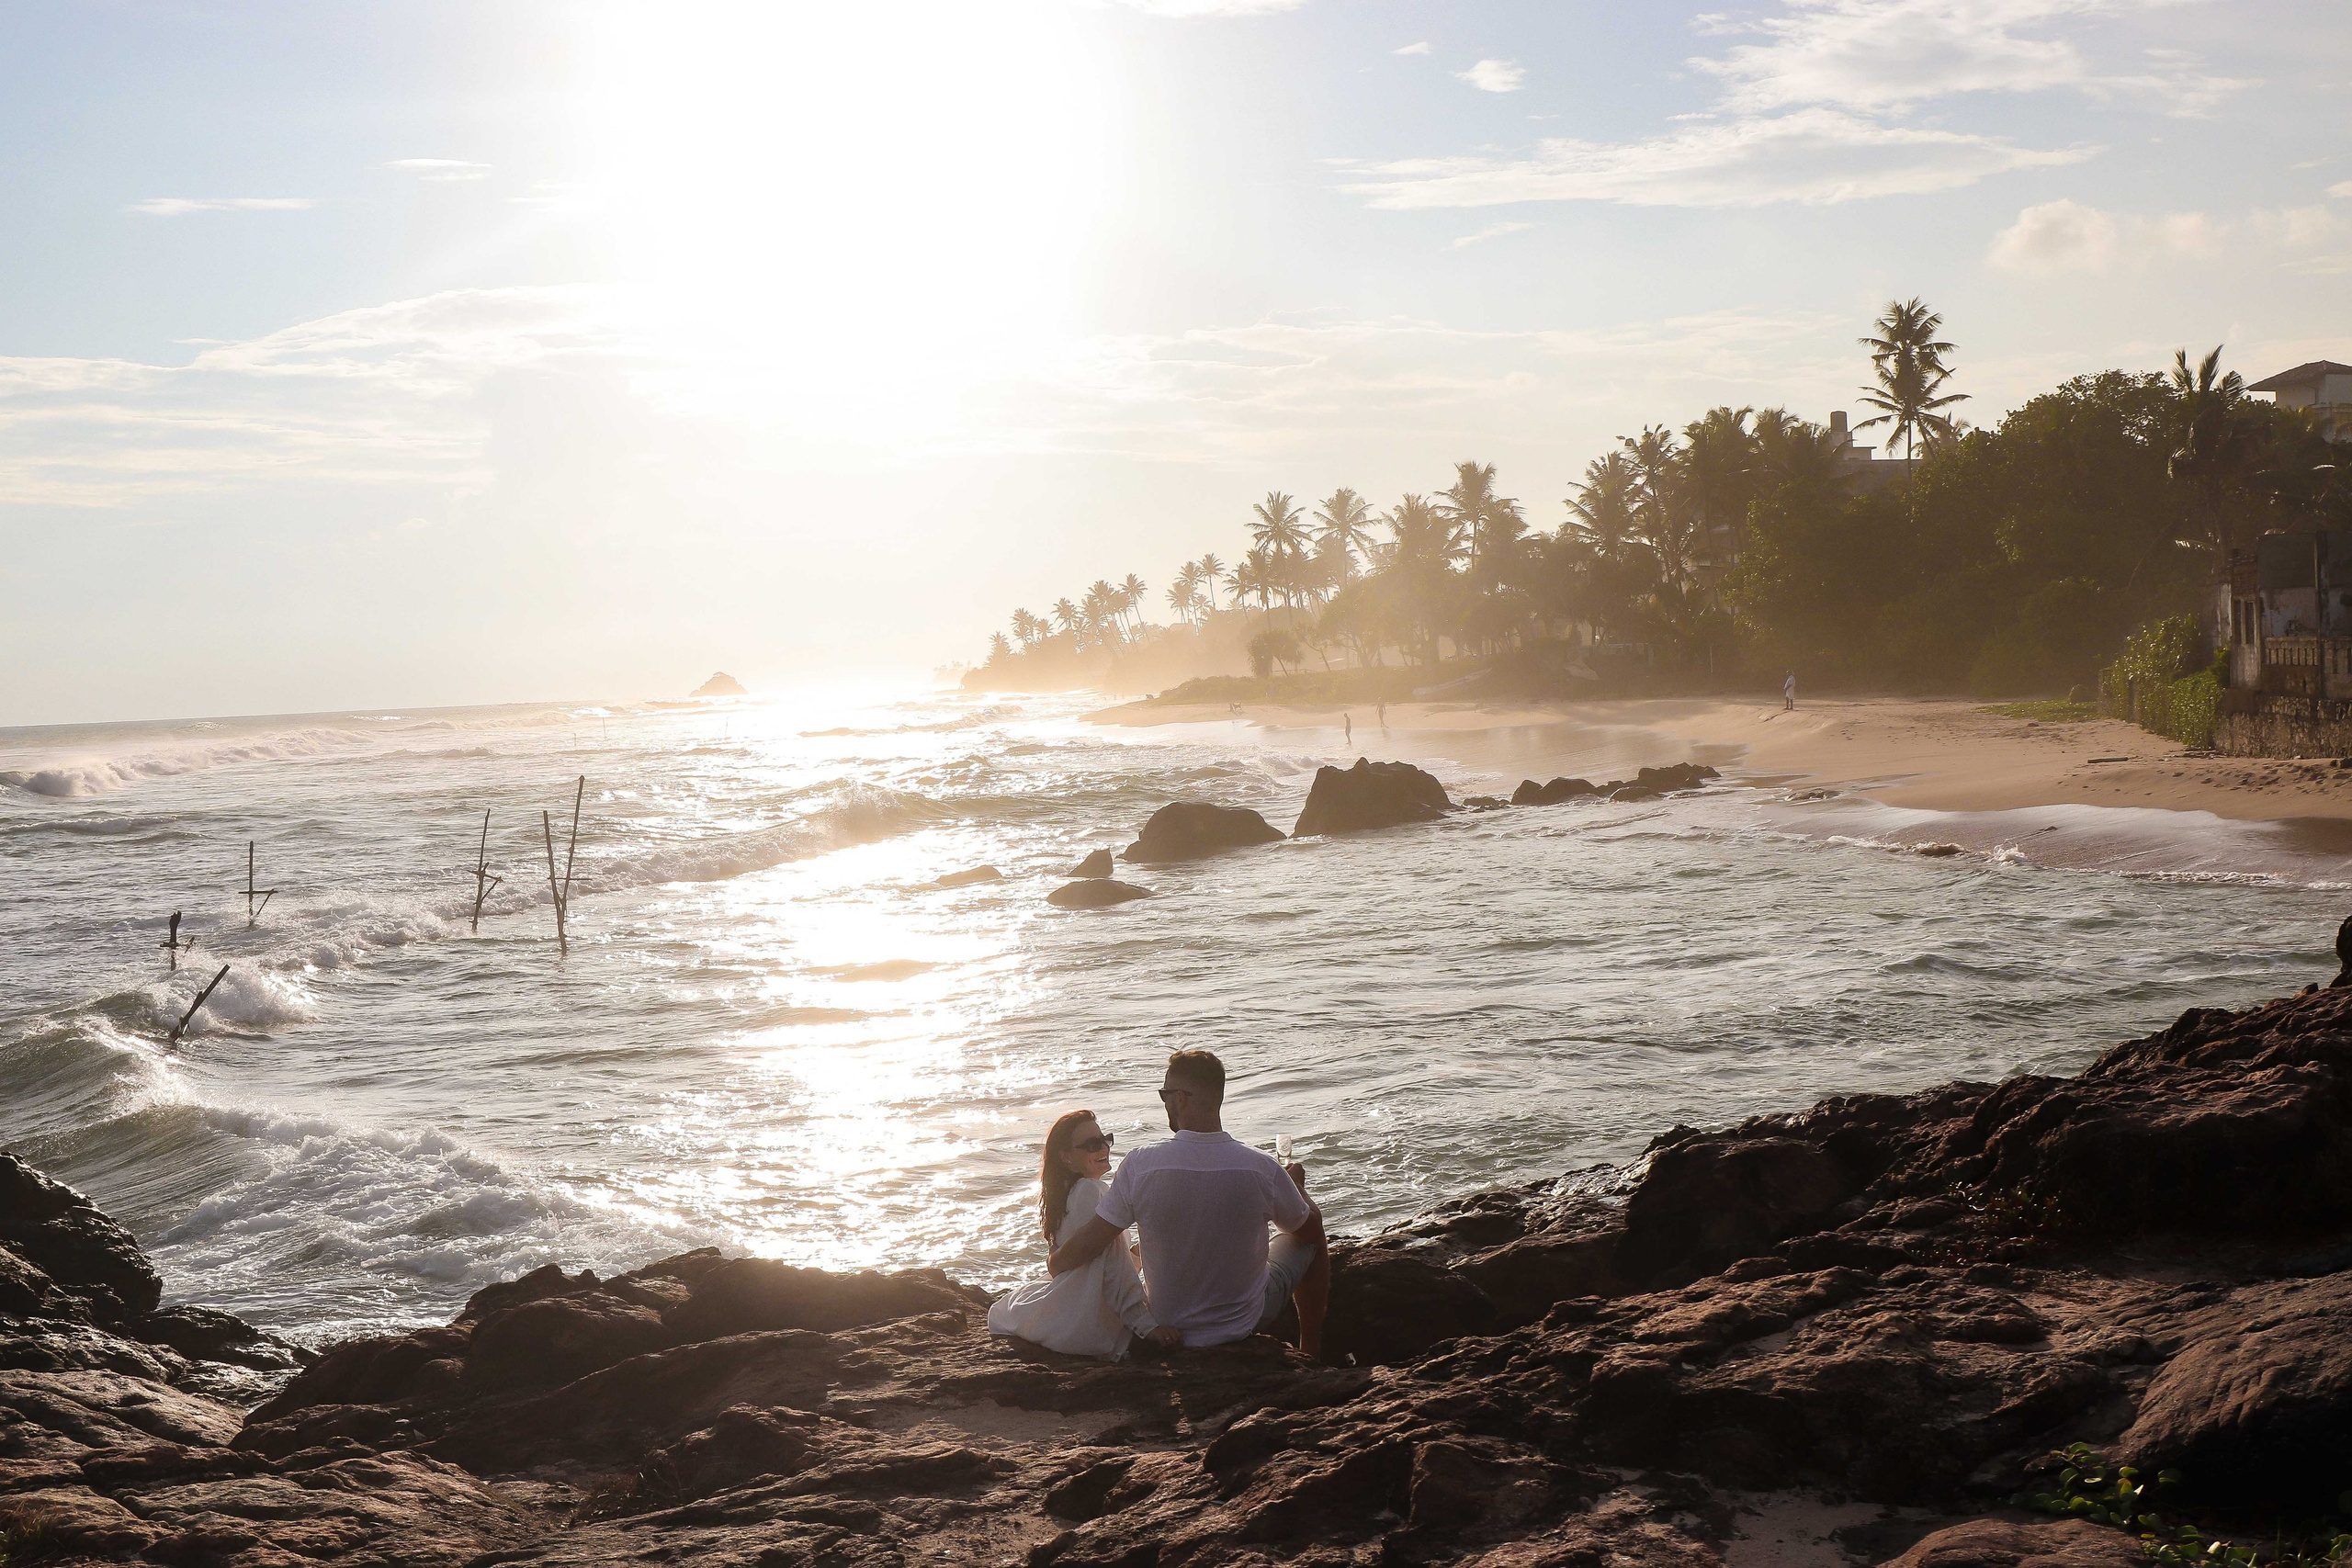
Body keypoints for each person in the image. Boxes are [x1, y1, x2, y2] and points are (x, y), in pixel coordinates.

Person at [1048, 1049, 1329, 1357]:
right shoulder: (1260, 1167)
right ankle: (1311, 1350)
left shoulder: (1141, 1165)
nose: (1165, 1103)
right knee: (1308, 1240)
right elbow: (1310, 1230)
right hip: (1243, 1323)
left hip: (1169, 1325)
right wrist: (1296, 1187)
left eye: (1165, 1095)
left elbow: (1089, 1244)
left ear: (1180, 1099)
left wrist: (1055, 1260)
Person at [988, 1110, 1172, 1359]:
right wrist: (1145, 1325)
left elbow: (1092, 1261)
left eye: (1105, 1140)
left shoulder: (1065, 1195)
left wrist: (1139, 1253)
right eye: (1092, 1144)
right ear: (1066, 1157)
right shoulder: (1089, 1191)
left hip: (1069, 1311)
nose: (1103, 1148)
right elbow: (1112, 1268)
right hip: (1086, 1323)